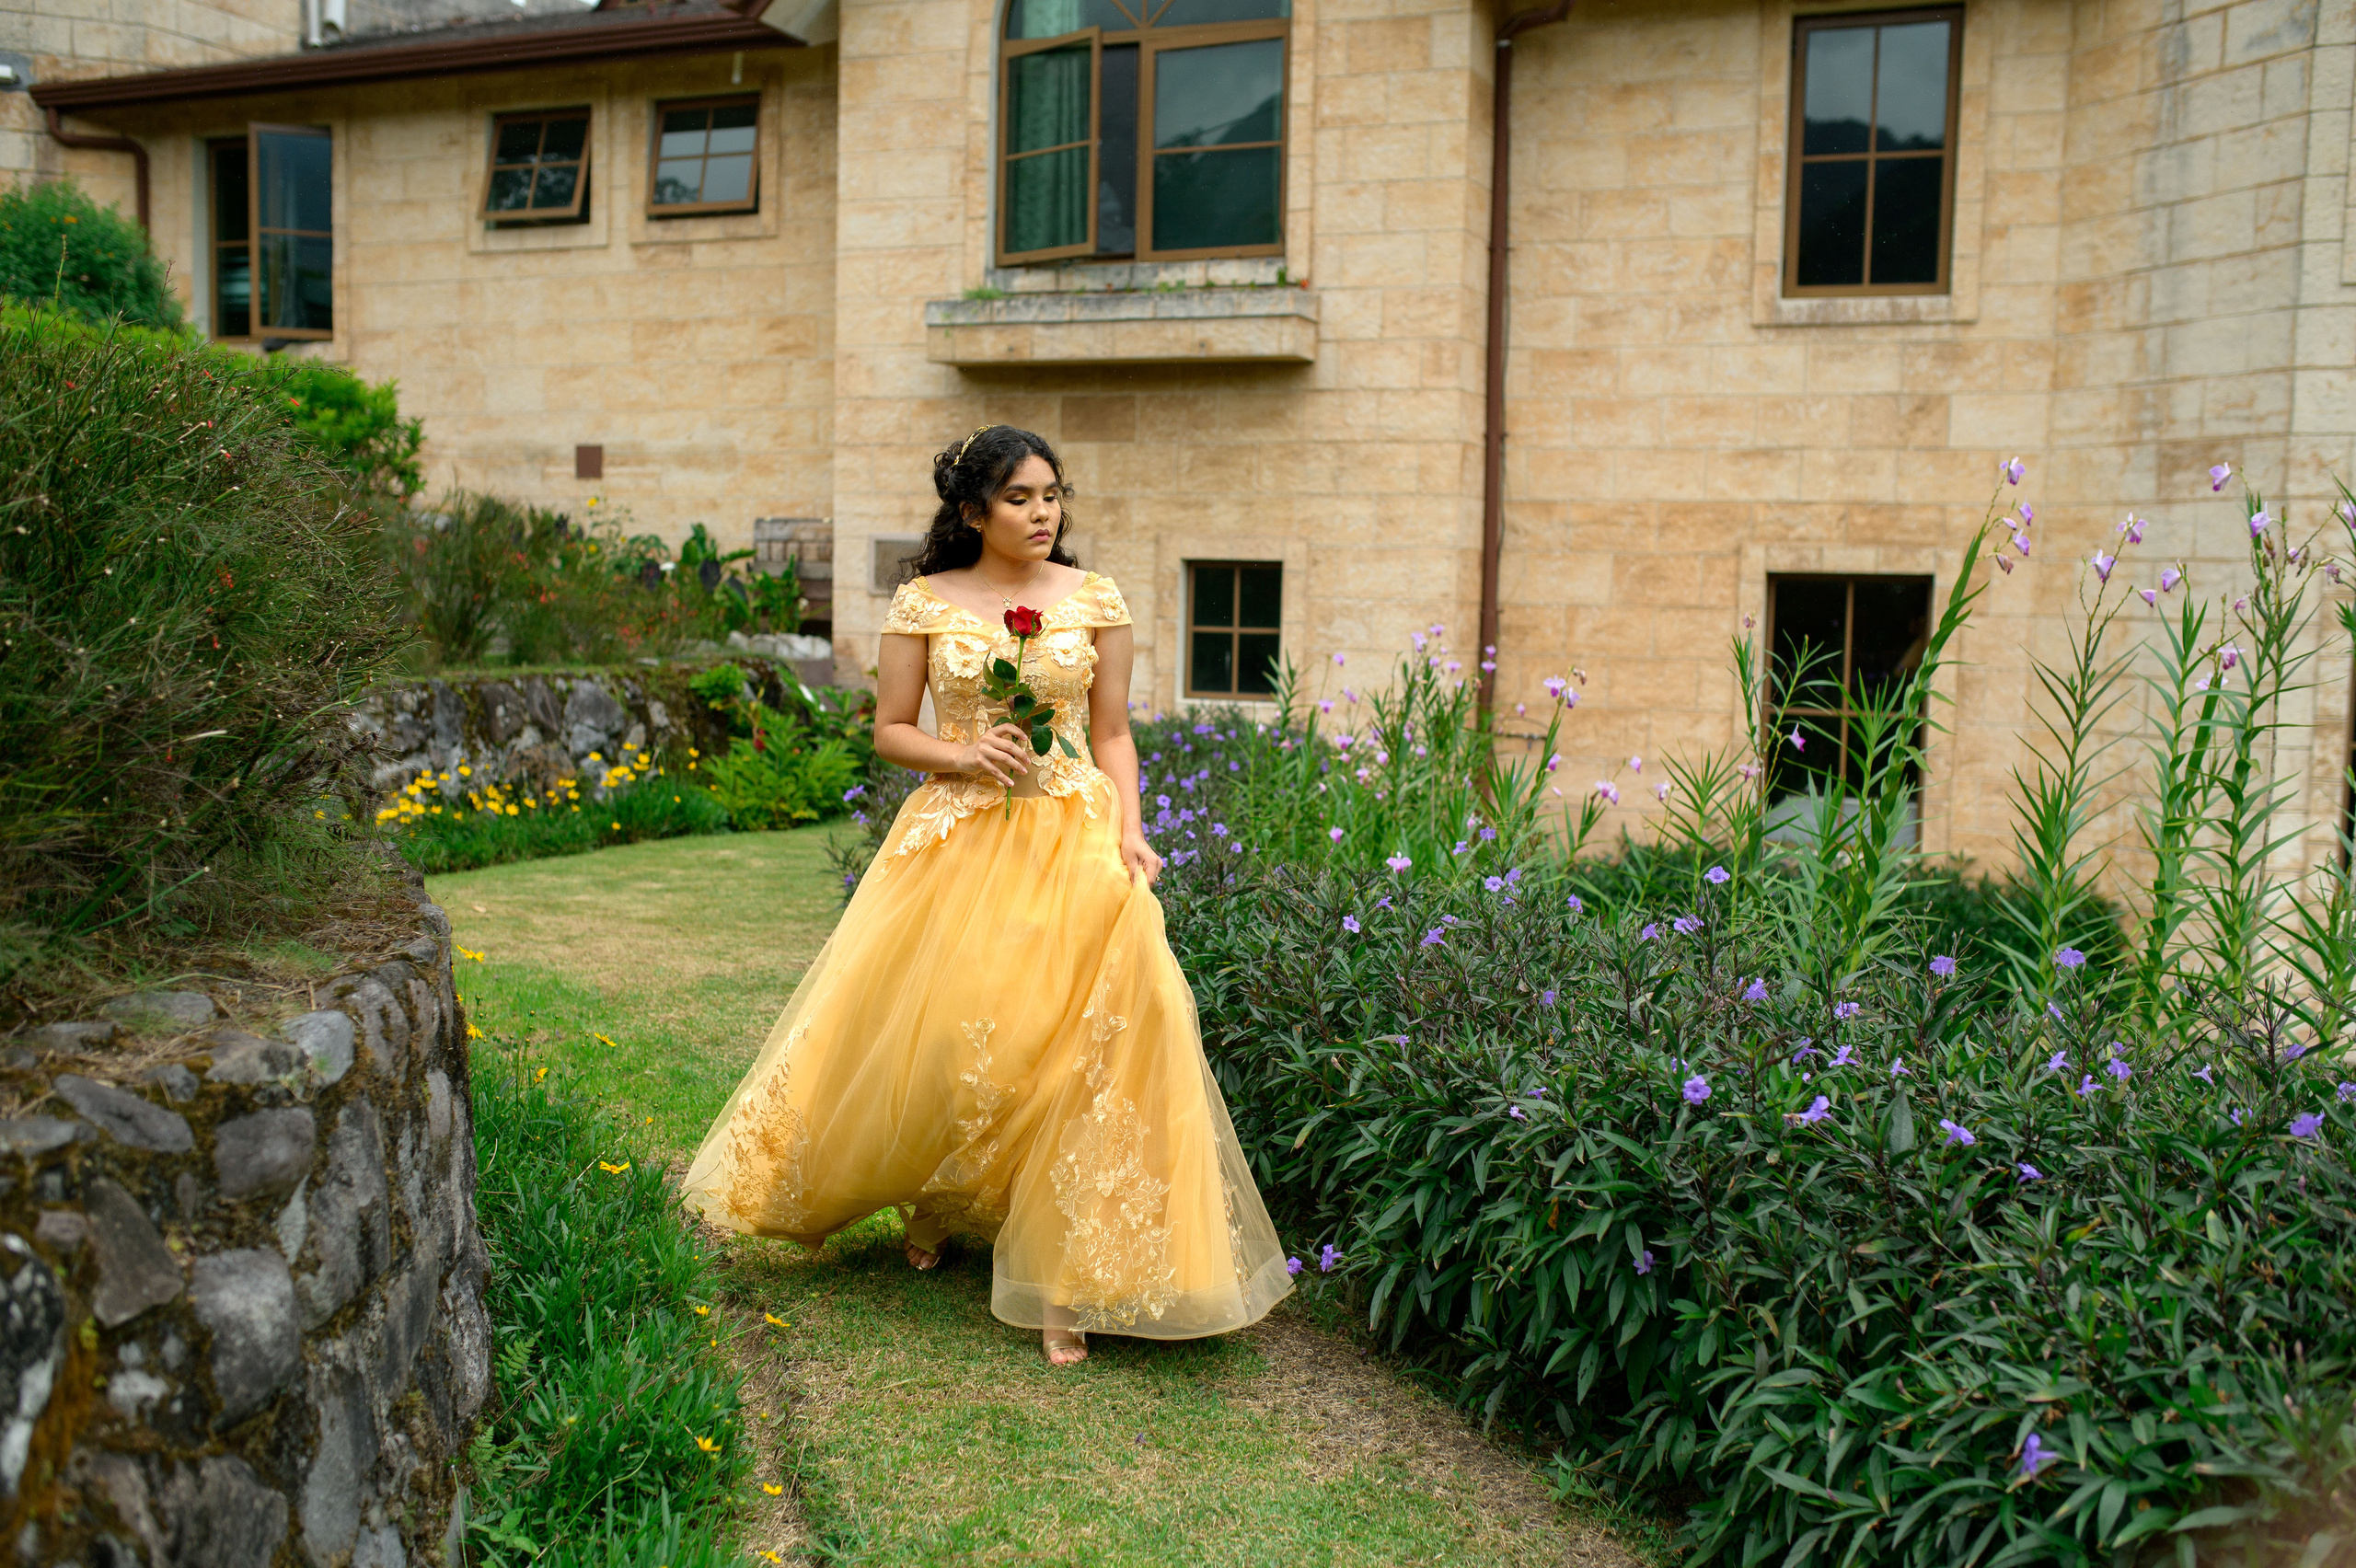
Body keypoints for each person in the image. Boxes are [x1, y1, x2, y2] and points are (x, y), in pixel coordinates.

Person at [681, 425, 1292, 1366]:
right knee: (960, 1033)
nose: (1043, 513)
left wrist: (1133, 828)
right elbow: (889, 729)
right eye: (1020, 498)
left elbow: (1115, 732)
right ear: (972, 511)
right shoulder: (924, 603)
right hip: (958, 840)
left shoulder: (1096, 599)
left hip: (1078, 829)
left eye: (1052, 494)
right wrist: (962, 753)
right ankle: (935, 1195)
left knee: (1119, 1023)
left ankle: (1072, 1277)